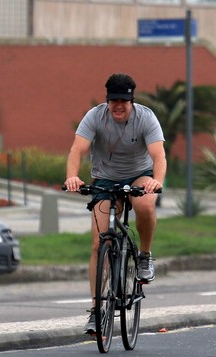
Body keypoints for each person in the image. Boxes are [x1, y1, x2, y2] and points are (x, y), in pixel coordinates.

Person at [64, 73, 166, 335]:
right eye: (114, 101)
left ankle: (144, 256)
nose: (119, 106)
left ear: (132, 100)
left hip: (139, 175)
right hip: (105, 178)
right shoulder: (95, 117)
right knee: (99, 243)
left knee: (145, 205)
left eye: (124, 100)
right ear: (107, 100)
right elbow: (77, 150)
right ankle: (97, 311)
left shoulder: (146, 118)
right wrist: (72, 177)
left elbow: (158, 154)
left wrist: (157, 181)